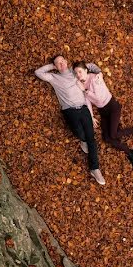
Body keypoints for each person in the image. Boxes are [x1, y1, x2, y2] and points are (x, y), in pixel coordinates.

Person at [34, 56, 106, 185]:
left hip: (83, 108)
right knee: (79, 133)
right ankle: (82, 140)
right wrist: (53, 66)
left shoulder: (75, 71)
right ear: (55, 66)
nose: (61, 64)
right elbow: (38, 73)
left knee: (92, 139)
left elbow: (91, 66)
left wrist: (100, 73)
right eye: (58, 63)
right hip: (69, 110)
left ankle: (95, 169)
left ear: (67, 61)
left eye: (62, 61)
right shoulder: (54, 78)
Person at [73, 61, 133, 169]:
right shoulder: (82, 84)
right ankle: (130, 152)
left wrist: (85, 90)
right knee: (107, 138)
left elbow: (98, 97)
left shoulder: (95, 79)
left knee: (113, 135)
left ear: (85, 70)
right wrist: (91, 116)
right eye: (76, 73)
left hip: (112, 107)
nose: (78, 75)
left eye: (80, 71)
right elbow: (87, 101)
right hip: (103, 112)